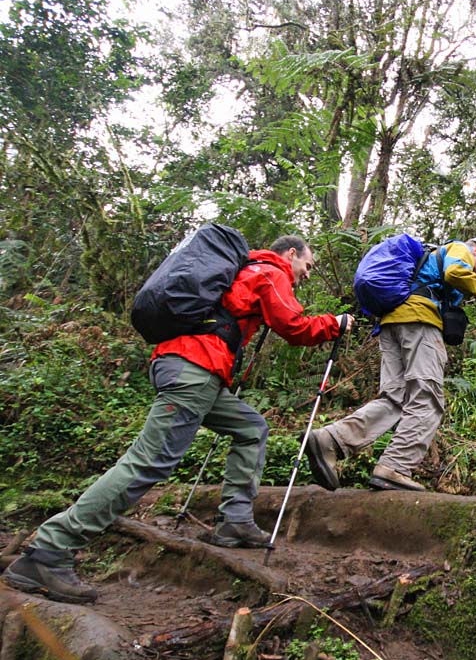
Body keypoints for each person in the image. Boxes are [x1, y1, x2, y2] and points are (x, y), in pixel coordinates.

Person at [3, 235, 352, 604]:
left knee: (251, 428)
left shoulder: (243, 271)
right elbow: (294, 325)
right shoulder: (270, 270)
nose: (306, 275)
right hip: (194, 370)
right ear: (291, 254)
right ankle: (49, 551)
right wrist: (335, 323)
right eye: (307, 266)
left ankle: (234, 520)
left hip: (193, 368)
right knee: (149, 462)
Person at [306, 237, 476, 492]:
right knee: (427, 398)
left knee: (395, 398)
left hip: (393, 323)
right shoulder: (461, 250)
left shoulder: (434, 260)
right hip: (419, 321)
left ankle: (330, 440)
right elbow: (456, 272)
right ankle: (395, 467)